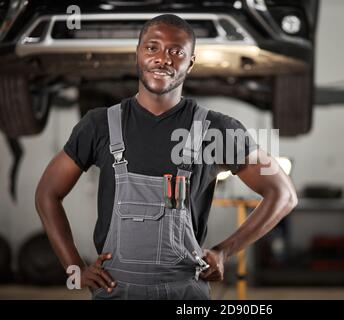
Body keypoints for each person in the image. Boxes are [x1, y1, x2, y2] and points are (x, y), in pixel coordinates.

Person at [35, 14, 298, 300]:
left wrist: (225, 251)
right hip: (115, 290)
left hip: (185, 292)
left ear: (190, 63)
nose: (163, 59)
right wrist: (74, 267)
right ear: (137, 53)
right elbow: (47, 193)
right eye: (152, 48)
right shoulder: (99, 125)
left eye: (176, 52)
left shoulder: (216, 130)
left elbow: (283, 194)